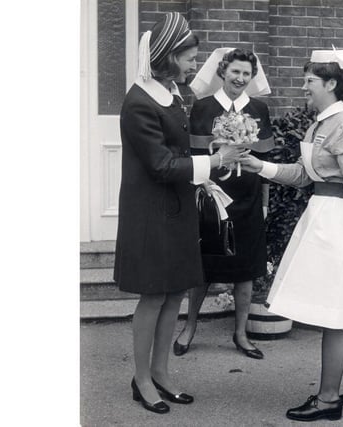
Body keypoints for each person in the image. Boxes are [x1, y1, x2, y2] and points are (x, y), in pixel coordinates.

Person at [239, 41, 343, 422]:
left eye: (309, 81)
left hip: (339, 226)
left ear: (332, 85)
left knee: (335, 313)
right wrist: (260, 167)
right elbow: (307, 175)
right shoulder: (321, 123)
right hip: (322, 216)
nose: (304, 87)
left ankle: (327, 400)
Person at [113, 13, 244, 415]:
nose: (194, 65)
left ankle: (162, 373)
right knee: (153, 296)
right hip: (151, 214)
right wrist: (212, 162)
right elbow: (160, 165)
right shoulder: (139, 101)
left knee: (174, 295)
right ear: (168, 56)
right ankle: (141, 379)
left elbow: (180, 156)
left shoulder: (171, 93)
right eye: (189, 57)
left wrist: (215, 163)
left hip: (176, 209)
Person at [172, 48, 275, 359]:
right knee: (204, 267)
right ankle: (189, 328)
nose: (240, 79)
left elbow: (267, 158)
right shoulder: (202, 108)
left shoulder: (259, 109)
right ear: (222, 73)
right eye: (235, 72)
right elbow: (194, 157)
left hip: (249, 198)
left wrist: (266, 203)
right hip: (212, 196)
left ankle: (241, 334)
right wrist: (200, 194)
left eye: (246, 73)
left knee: (246, 269)